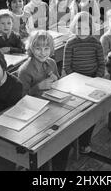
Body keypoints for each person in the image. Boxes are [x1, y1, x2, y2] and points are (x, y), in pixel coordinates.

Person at [17, 30, 71, 170]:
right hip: (34, 115)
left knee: (66, 137)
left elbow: (59, 85)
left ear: (51, 49)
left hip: (53, 108)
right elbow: (21, 100)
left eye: (46, 48)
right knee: (45, 146)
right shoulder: (25, 70)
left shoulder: (51, 63)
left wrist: (57, 81)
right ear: (31, 48)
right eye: (38, 48)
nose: (42, 52)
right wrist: (37, 87)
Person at [63, 12, 105, 153]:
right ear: (74, 27)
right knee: (75, 113)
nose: (82, 32)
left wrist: (96, 79)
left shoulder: (95, 43)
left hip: (93, 80)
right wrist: (77, 81)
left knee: (92, 113)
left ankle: (84, 141)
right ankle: (72, 139)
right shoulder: (70, 43)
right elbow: (66, 67)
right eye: (79, 28)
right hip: (76, 83)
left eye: (85, 28)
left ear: (91, 28)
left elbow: (101, 64)